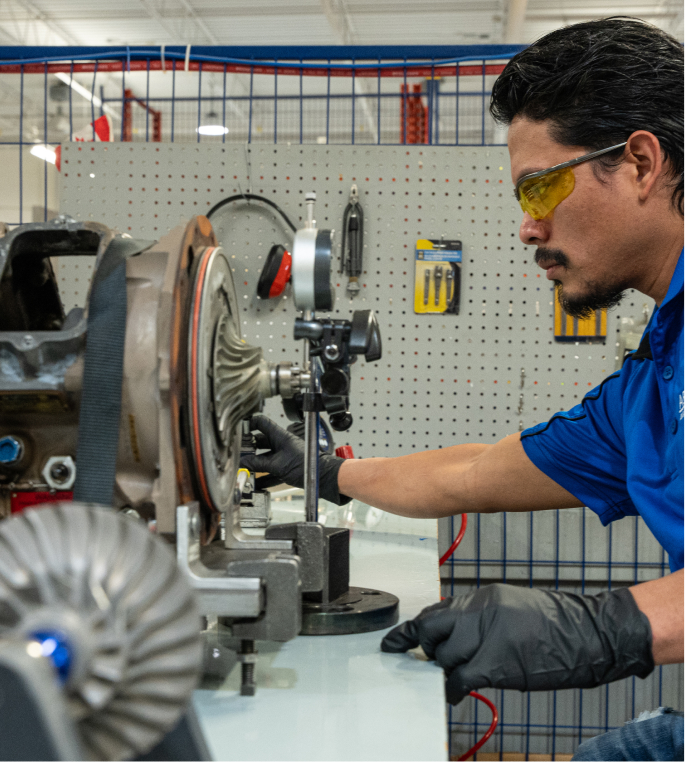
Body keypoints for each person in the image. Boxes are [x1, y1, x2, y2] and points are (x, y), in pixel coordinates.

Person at [241, 17, 683, 762]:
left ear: (640, 163)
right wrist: (326, 473)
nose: (527, 228)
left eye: (540, 188)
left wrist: (602, 628)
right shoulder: (655, 377)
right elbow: (476, 471)